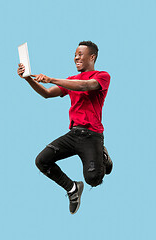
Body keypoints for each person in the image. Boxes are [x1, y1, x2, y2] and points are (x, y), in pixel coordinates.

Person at [17, 41, 113, 214]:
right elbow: (46, 94)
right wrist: (27, 78)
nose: (76, 57)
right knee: (41, 161)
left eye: (80, 54)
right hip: (74, 134)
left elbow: (86, 86)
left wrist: (51, 78)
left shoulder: (102, 76)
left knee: (93, 179)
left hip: (92, 135)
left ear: (92, 57)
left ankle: (102, 155)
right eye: (75, 54)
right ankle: (72, 189)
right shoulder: (70, 81)